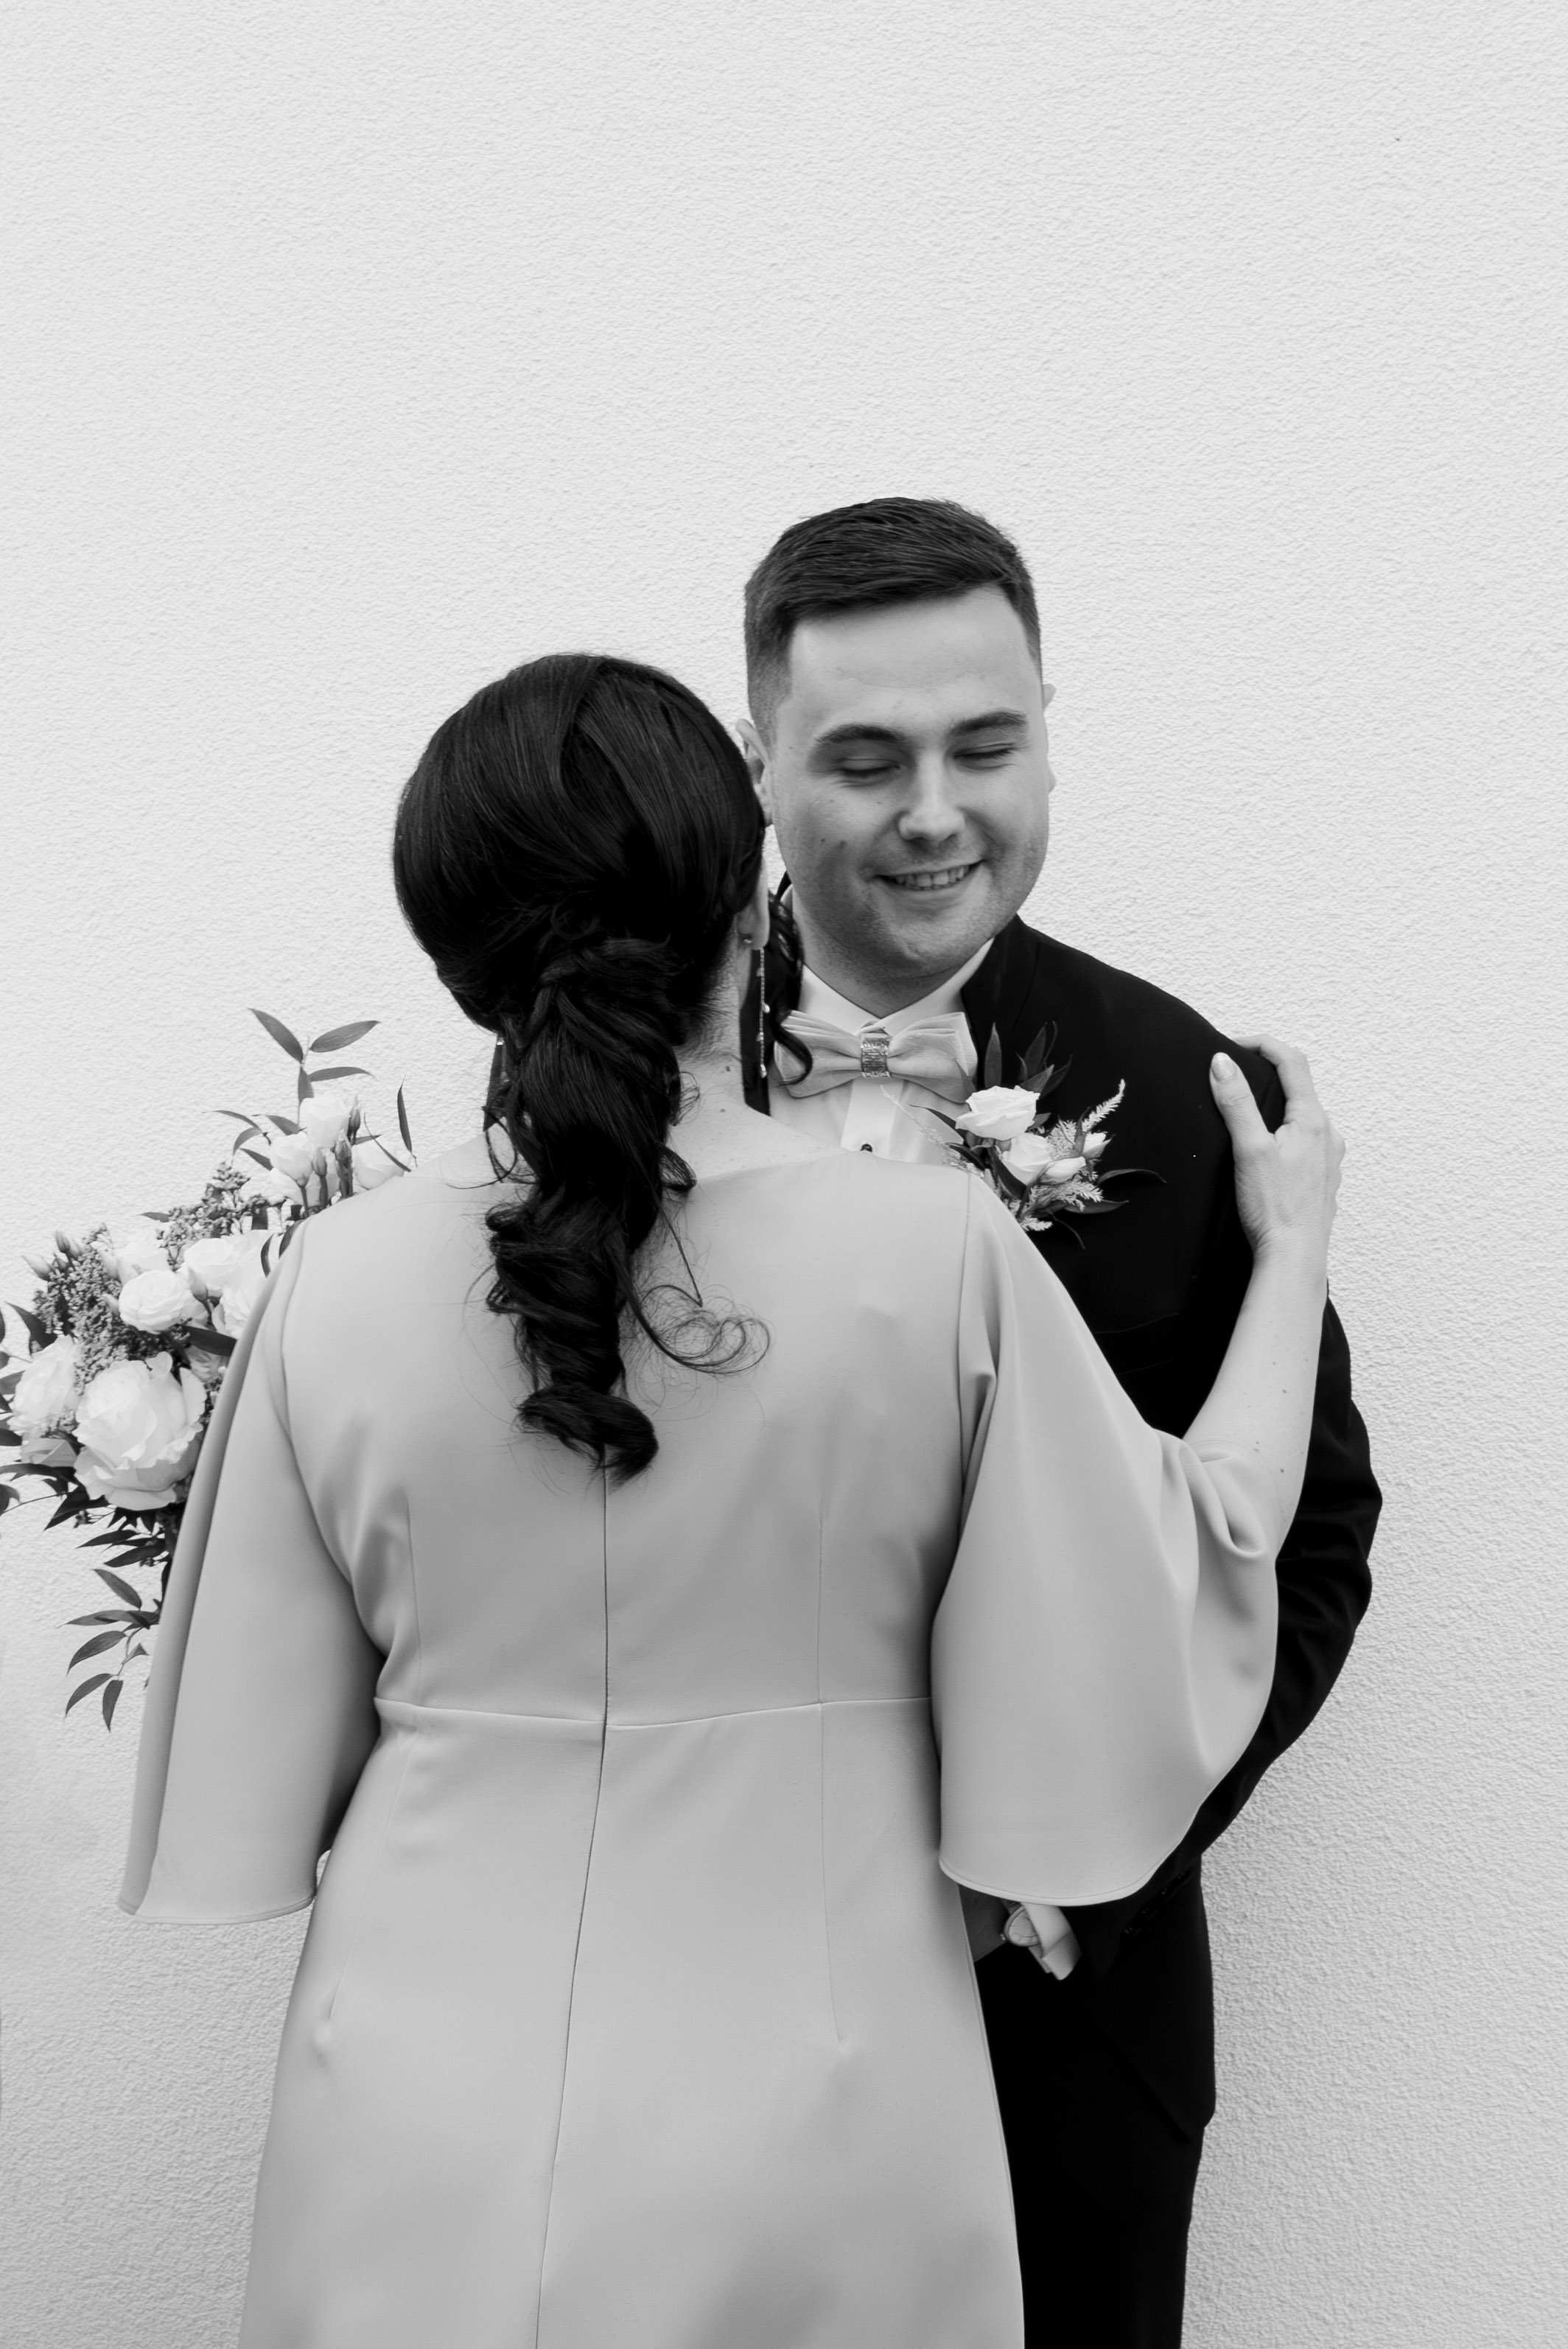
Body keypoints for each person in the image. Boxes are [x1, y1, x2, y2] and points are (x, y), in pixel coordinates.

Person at [122, 652, 1340, 2349]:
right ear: (737, 903)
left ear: (450, 948)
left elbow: (272, 1755)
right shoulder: (929, 1258)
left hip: (407, 2093)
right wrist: (1285, 1262)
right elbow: (1201, 1554)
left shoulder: (326, 1284)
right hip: (820, 2089)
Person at [738, 496, 1381, 2348]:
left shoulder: (1200, 1100)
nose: (934, 809)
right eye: (863, 757)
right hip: (677, 1997)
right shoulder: (604, 1075)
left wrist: (1081, 1856)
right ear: (757, 762)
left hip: (1061, 2015)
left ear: (1044, 734)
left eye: (985, 745)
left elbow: (1307, 1548)